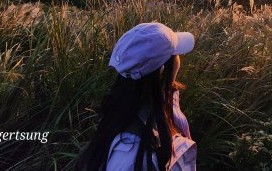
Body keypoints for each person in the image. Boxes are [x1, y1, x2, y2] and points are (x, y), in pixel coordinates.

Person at [76, 22, 196, 171]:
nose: (179, 59)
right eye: (176, 54)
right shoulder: (130, 155)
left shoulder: (129, 110)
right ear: (161, 72)